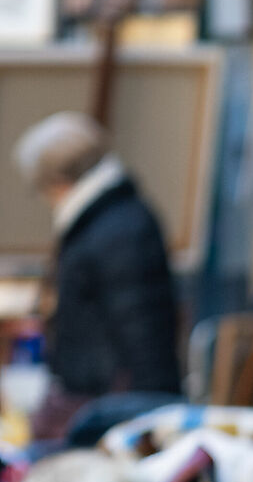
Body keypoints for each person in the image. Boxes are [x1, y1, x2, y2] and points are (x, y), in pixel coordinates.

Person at [11, 112, 180, 404]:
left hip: (111, 401)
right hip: (101, 394)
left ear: (58, 181)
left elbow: (141, 328)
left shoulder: (116, 229)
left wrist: (150, 410)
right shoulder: (109, 218)